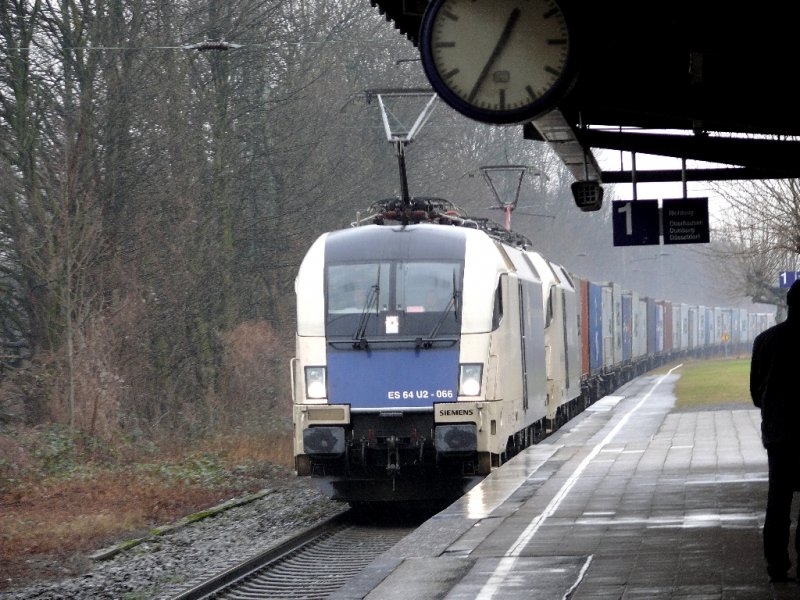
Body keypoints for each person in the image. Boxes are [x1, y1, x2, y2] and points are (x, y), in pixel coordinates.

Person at [750, 279, 800, 582]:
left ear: (788, 305)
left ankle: (777, 565)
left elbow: (757, 393)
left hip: (779, 434)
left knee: (778, 502)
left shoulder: (766, 340)